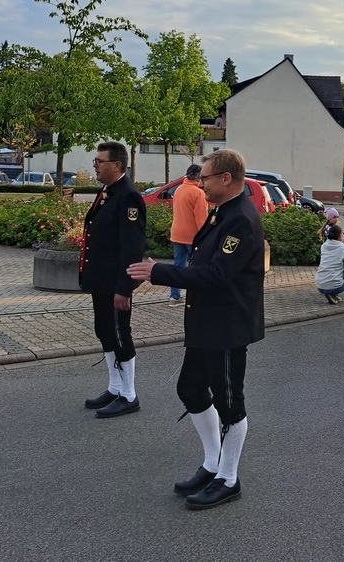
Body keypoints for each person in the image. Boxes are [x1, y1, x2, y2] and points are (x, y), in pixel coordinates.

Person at [127, 149, 264, 510]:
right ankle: (212, 463)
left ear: (226, 178)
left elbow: (218, 275)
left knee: (230, 404)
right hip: (207, 321)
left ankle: (229, 479)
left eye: (204, 177)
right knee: (190, 388)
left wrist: (159, 273)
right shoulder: (223, 213)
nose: (199, 182)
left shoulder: (241, 219)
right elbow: (204, 260)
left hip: (227, 325)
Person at [80, 141, 146, 419]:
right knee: (104, 331)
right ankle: (115, 387)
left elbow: (132, 249)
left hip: (115, 284)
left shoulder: (128, 196)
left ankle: (129, 395)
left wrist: (124, 288)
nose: (95, 165)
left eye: (99, 161)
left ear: (116, 165)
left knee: (120, 335)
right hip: (101, 280)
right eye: (95, 161)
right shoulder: (108, 192)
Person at [169, 164, 209, 307]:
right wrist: (205, 237)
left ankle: (174, 297)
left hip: (177, 232)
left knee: (178, 266)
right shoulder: (198, 193)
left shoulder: (179, 189)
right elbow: (201, 219)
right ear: (198, 177)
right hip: (192, 236)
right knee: (197, 267)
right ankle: (196, 297)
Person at [316, 224, 344, 304]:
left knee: (335, 275)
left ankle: (332, 294)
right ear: (340, 236)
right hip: (333, 284)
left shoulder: (323, 246)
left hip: (319, 283)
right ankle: (332, 293)